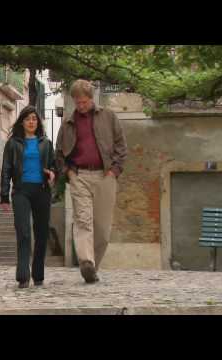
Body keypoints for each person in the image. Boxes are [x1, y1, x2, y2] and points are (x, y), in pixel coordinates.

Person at [55, 80, 127, 284]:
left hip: (106, 176)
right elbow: (59, 153)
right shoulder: (68, 123)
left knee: (103, 229)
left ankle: (93, 266)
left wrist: (114, 171)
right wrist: (68, 173)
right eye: (78, 102)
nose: (81, 106)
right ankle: (86, 261)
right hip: (79, 177)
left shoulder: (109, 117)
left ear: (92, 99)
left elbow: (122, 146)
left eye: (84, 102)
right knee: (83, 220)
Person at [0, 105, 55, 289]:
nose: (31, 122)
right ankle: (23, 275)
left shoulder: (46, 143)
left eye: (34, 119)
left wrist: (52, 173)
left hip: (41, 190)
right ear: (22, 122)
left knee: (41, 233)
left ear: (38, 122)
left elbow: (54, 166)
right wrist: (4, 196)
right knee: (23, 232)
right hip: (21, 191)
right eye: (28, 119)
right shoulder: (13, 143)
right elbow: (6, 169)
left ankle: (38, 275)